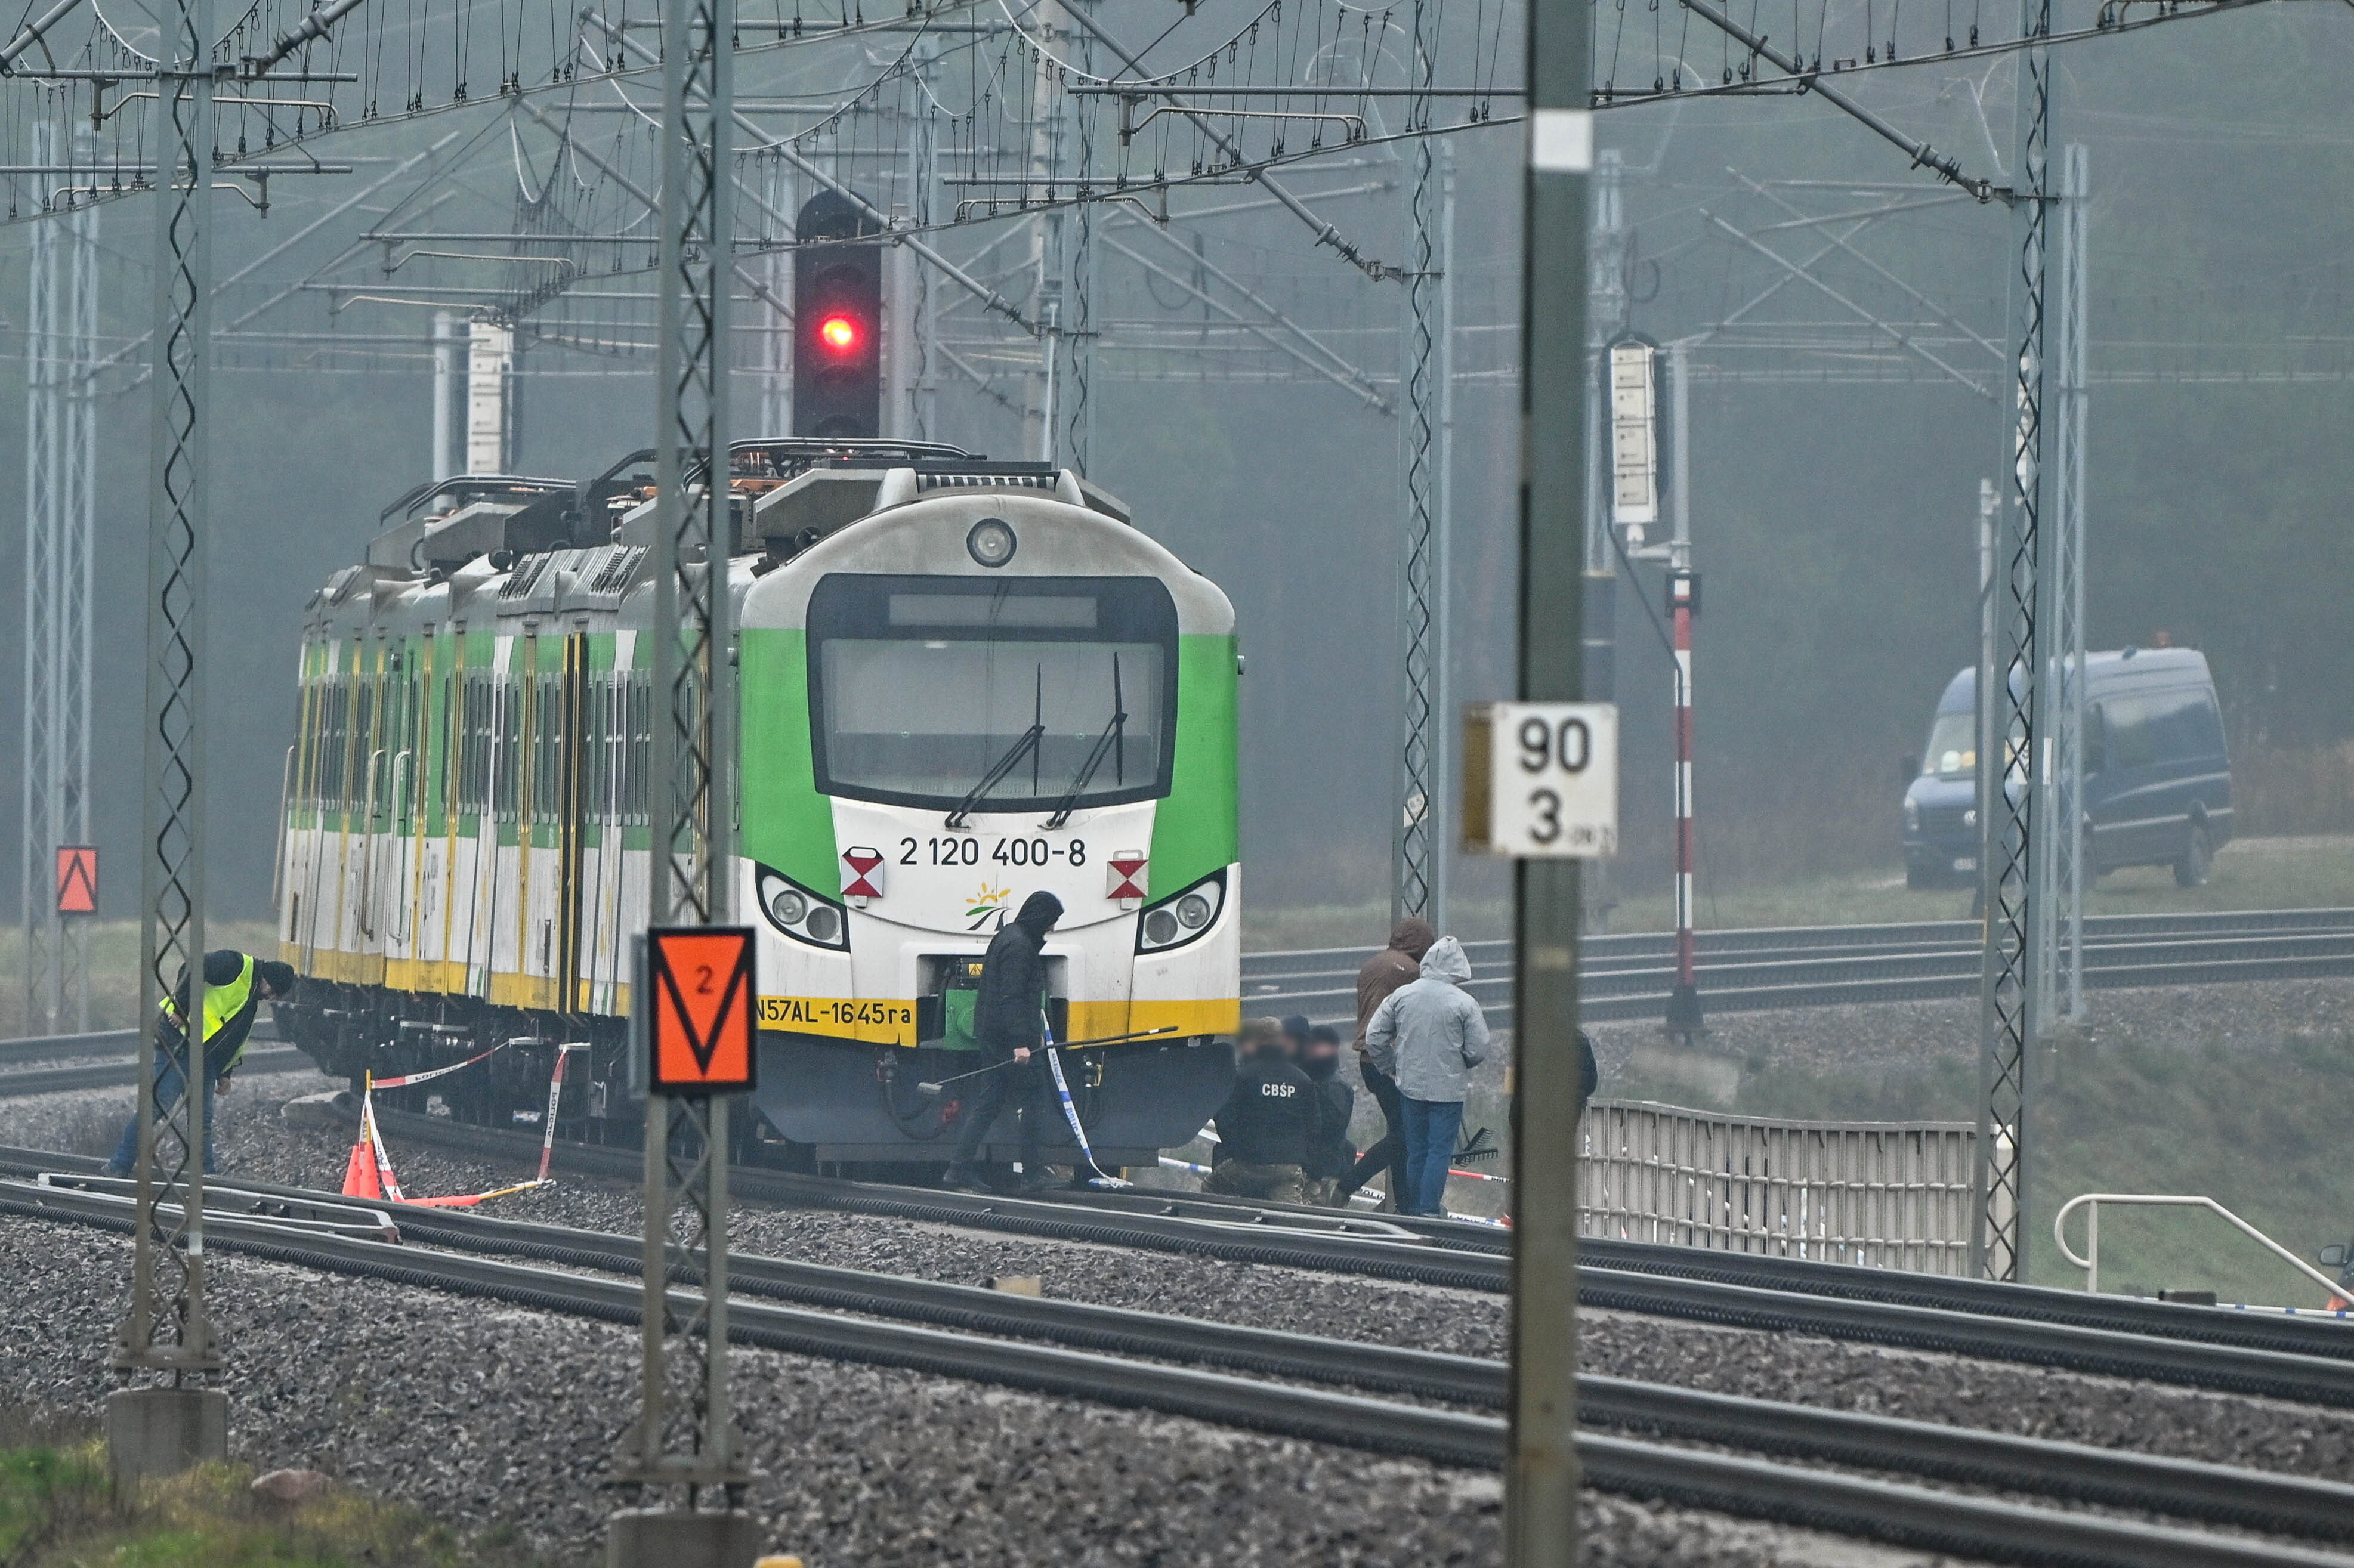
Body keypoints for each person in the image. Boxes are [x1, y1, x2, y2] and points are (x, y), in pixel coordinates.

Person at [104, 952, 296, 1177]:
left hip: (205, 1058)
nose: (271, 998)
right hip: (178, 1044)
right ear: (268, 981)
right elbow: (191, 967)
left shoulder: (250, 1002)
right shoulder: (234, 965)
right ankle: (119, 1165)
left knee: (200, 1120)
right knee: (158, 1106)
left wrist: (225, 1073)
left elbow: (233, 1040)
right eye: (273, 992)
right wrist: (180, 1007)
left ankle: (205, 1175)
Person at [944, 890, 1064, 1193]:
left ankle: (958, 1169)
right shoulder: (1020, 947)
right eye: (1052, 921)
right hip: (1006, 1041)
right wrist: (1020, 1043)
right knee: (1033, 1099)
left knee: (990, 1101)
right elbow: (1012, 997)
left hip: (996, 1035)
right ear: (1040, 917)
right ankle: (1032, 1174)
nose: (1052, 928)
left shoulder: (1010, 937)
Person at [1364, 935, 1488, 1218]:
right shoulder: (1465, 1003)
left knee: (1416, 1150)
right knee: (1439, 1152)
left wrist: (1390, 1065)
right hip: (1448, 1091)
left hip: (1410, 1086)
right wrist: (1463, 1062)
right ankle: (1428, 1210)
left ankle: (1411, 1209)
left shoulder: (1403, 996)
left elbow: (1374, 1037)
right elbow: (1479, 1048)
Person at [1334, 917, 1435, 1208]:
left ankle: (1403, 1207)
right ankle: (1347, 1185)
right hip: (1393, 1060)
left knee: (1399, 1134)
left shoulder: (1372, 964)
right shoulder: (1412, 971)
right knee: (1405, 1135)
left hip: (1368, 1060)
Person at [1203, 1016, 1319, 1203]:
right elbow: (1314, 1126)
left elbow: (1225, 1117)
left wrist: (1238, 1151)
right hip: (1288, 1166)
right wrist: (1305, 1162)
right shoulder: (1302, 1080)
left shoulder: (1243, 1076)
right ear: (1281, 1040)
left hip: (1249, 1163)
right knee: (1291, 1220)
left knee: (1211, 1187)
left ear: (1257, 1041)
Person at [1297, 1024, 1355, 1205]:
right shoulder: (1309, 1078)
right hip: (1311, 1166)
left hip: (1326, 1171)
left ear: (1332, 1048)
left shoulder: (1334, 1087)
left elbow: (1331, 1130)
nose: (1311, 1049)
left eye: (1317, 1045)